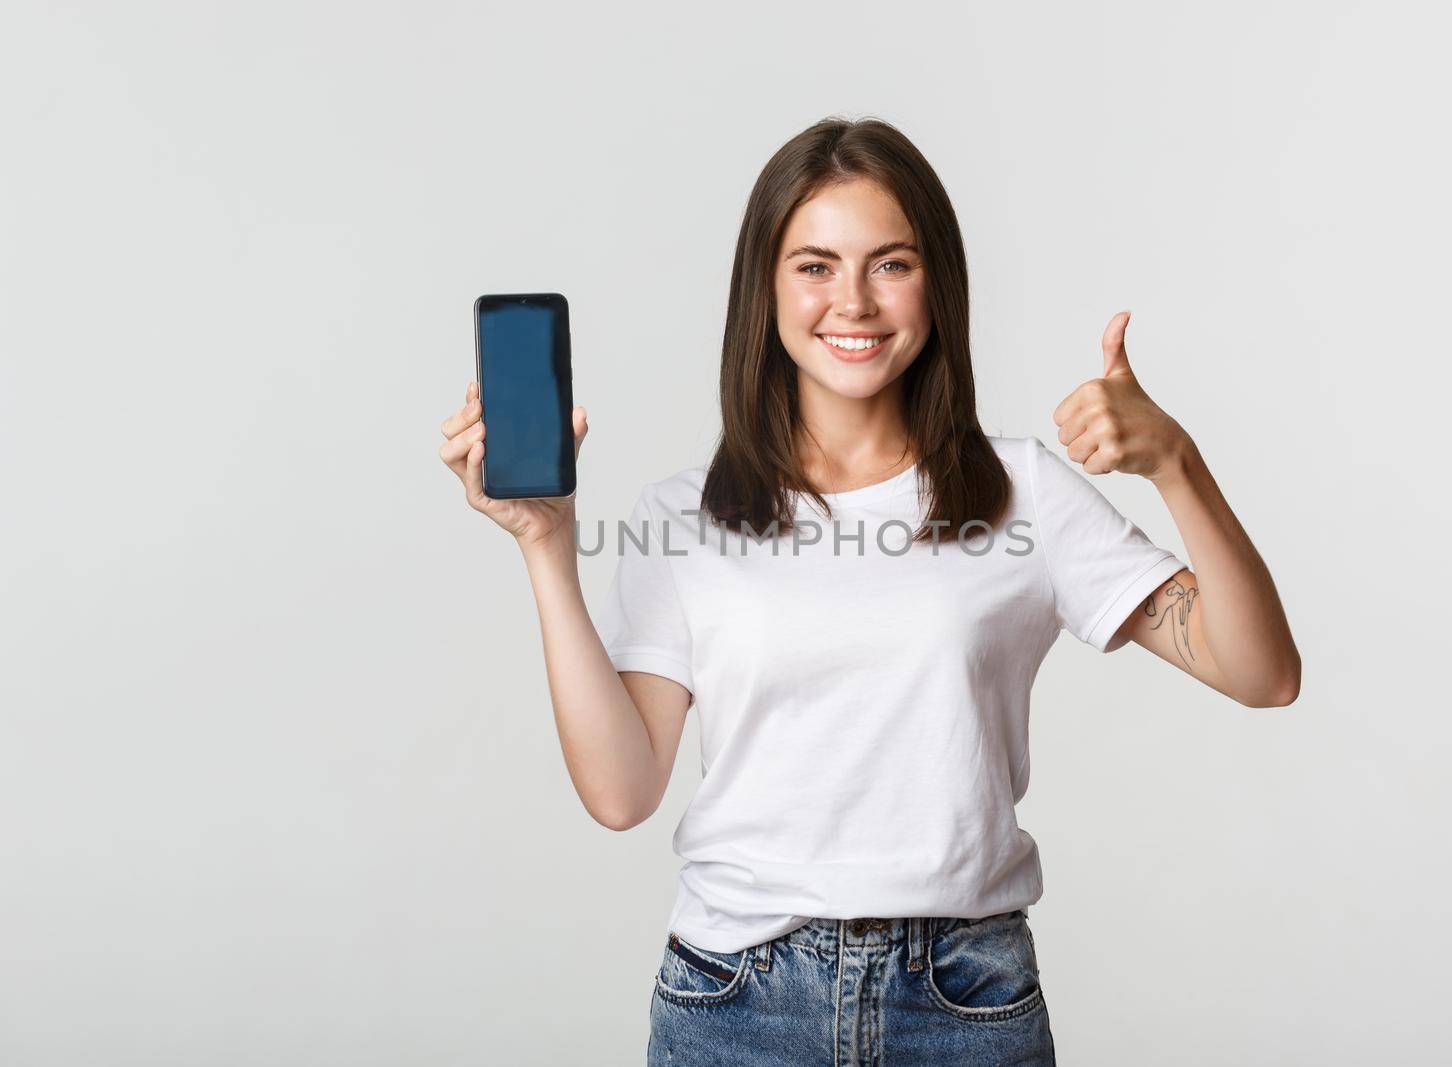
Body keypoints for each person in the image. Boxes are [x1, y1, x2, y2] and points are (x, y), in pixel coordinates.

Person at [437, 116, 1300, 1067]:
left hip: (965, 999)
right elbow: (622, 789)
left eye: (890, 263)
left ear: (938, 285)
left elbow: (1262, 673)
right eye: (814, 266)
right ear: (764, 290)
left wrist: (1177, 462)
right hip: (737, 1002)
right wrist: (548, 548)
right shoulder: (683, 515)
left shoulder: (1024, 493)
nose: (852, 300)